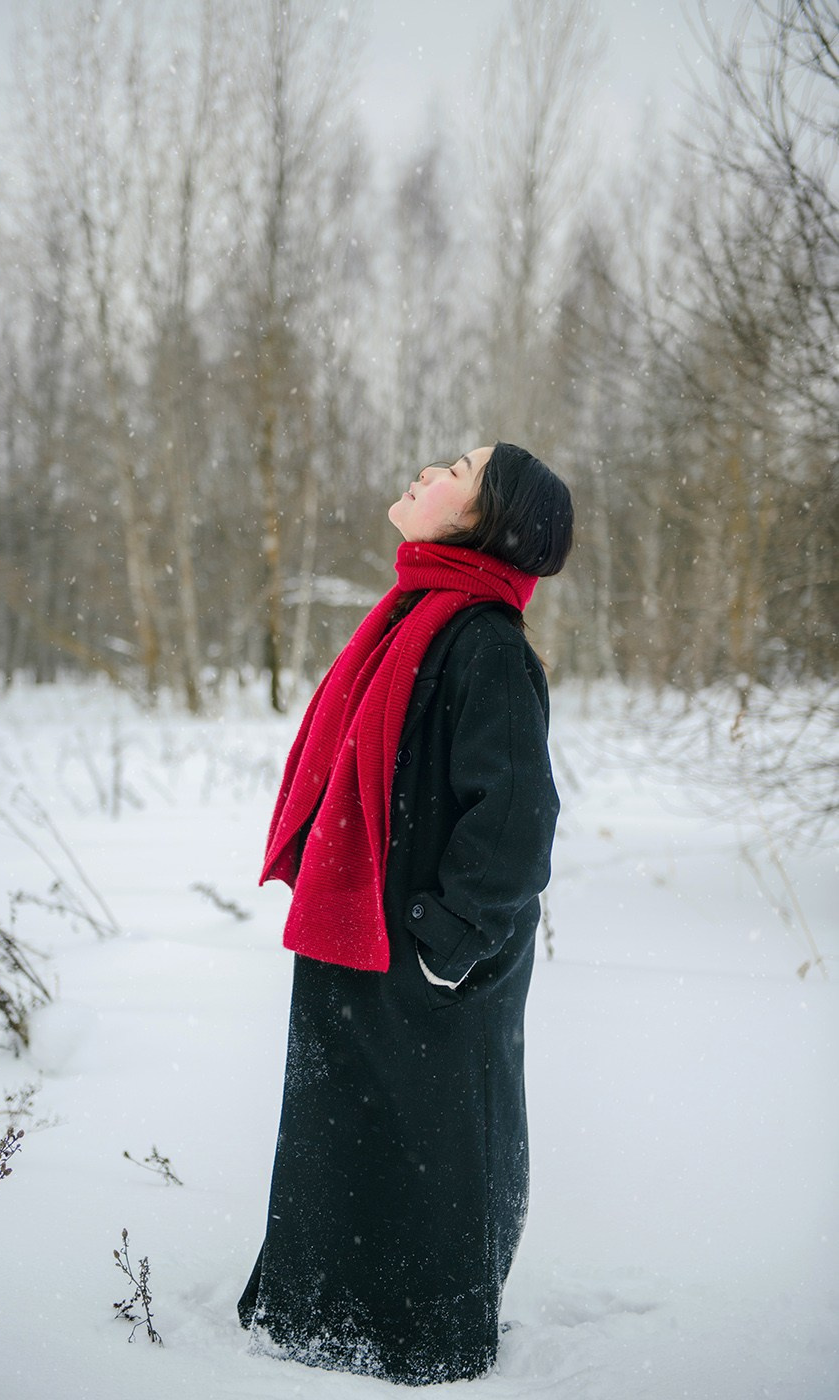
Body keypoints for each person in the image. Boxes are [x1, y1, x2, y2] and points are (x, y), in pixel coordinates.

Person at [238, 441, 573, 1385]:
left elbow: (514, 822)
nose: (426, 472)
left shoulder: (486, 643)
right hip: (361, 942)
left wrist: (447, 944)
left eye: (456, 470)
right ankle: (319, 1317)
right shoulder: (412, 620)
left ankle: (421, 1339)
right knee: (340, 1131)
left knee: (437, 1151)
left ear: (485, 518)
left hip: (426, 958)